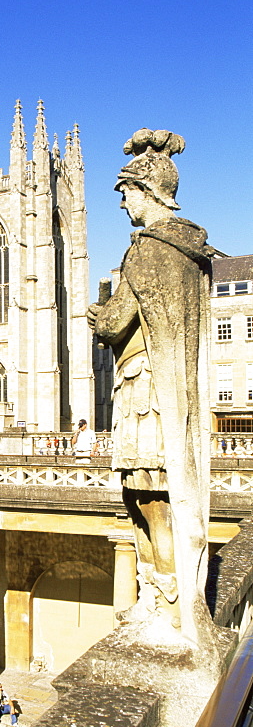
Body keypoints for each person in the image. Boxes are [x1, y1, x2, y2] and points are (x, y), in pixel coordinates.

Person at [87, 128, 216, 649]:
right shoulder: (191, 252)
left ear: (148, 192)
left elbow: (115, 323)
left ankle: (162, 602)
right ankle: (164, 597)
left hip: (144, 392)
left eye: (125, 194)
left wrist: (98, 312)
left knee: (148, 497)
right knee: (151, 492)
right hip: (170, 394)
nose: (122, 205)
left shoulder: (146, 250)